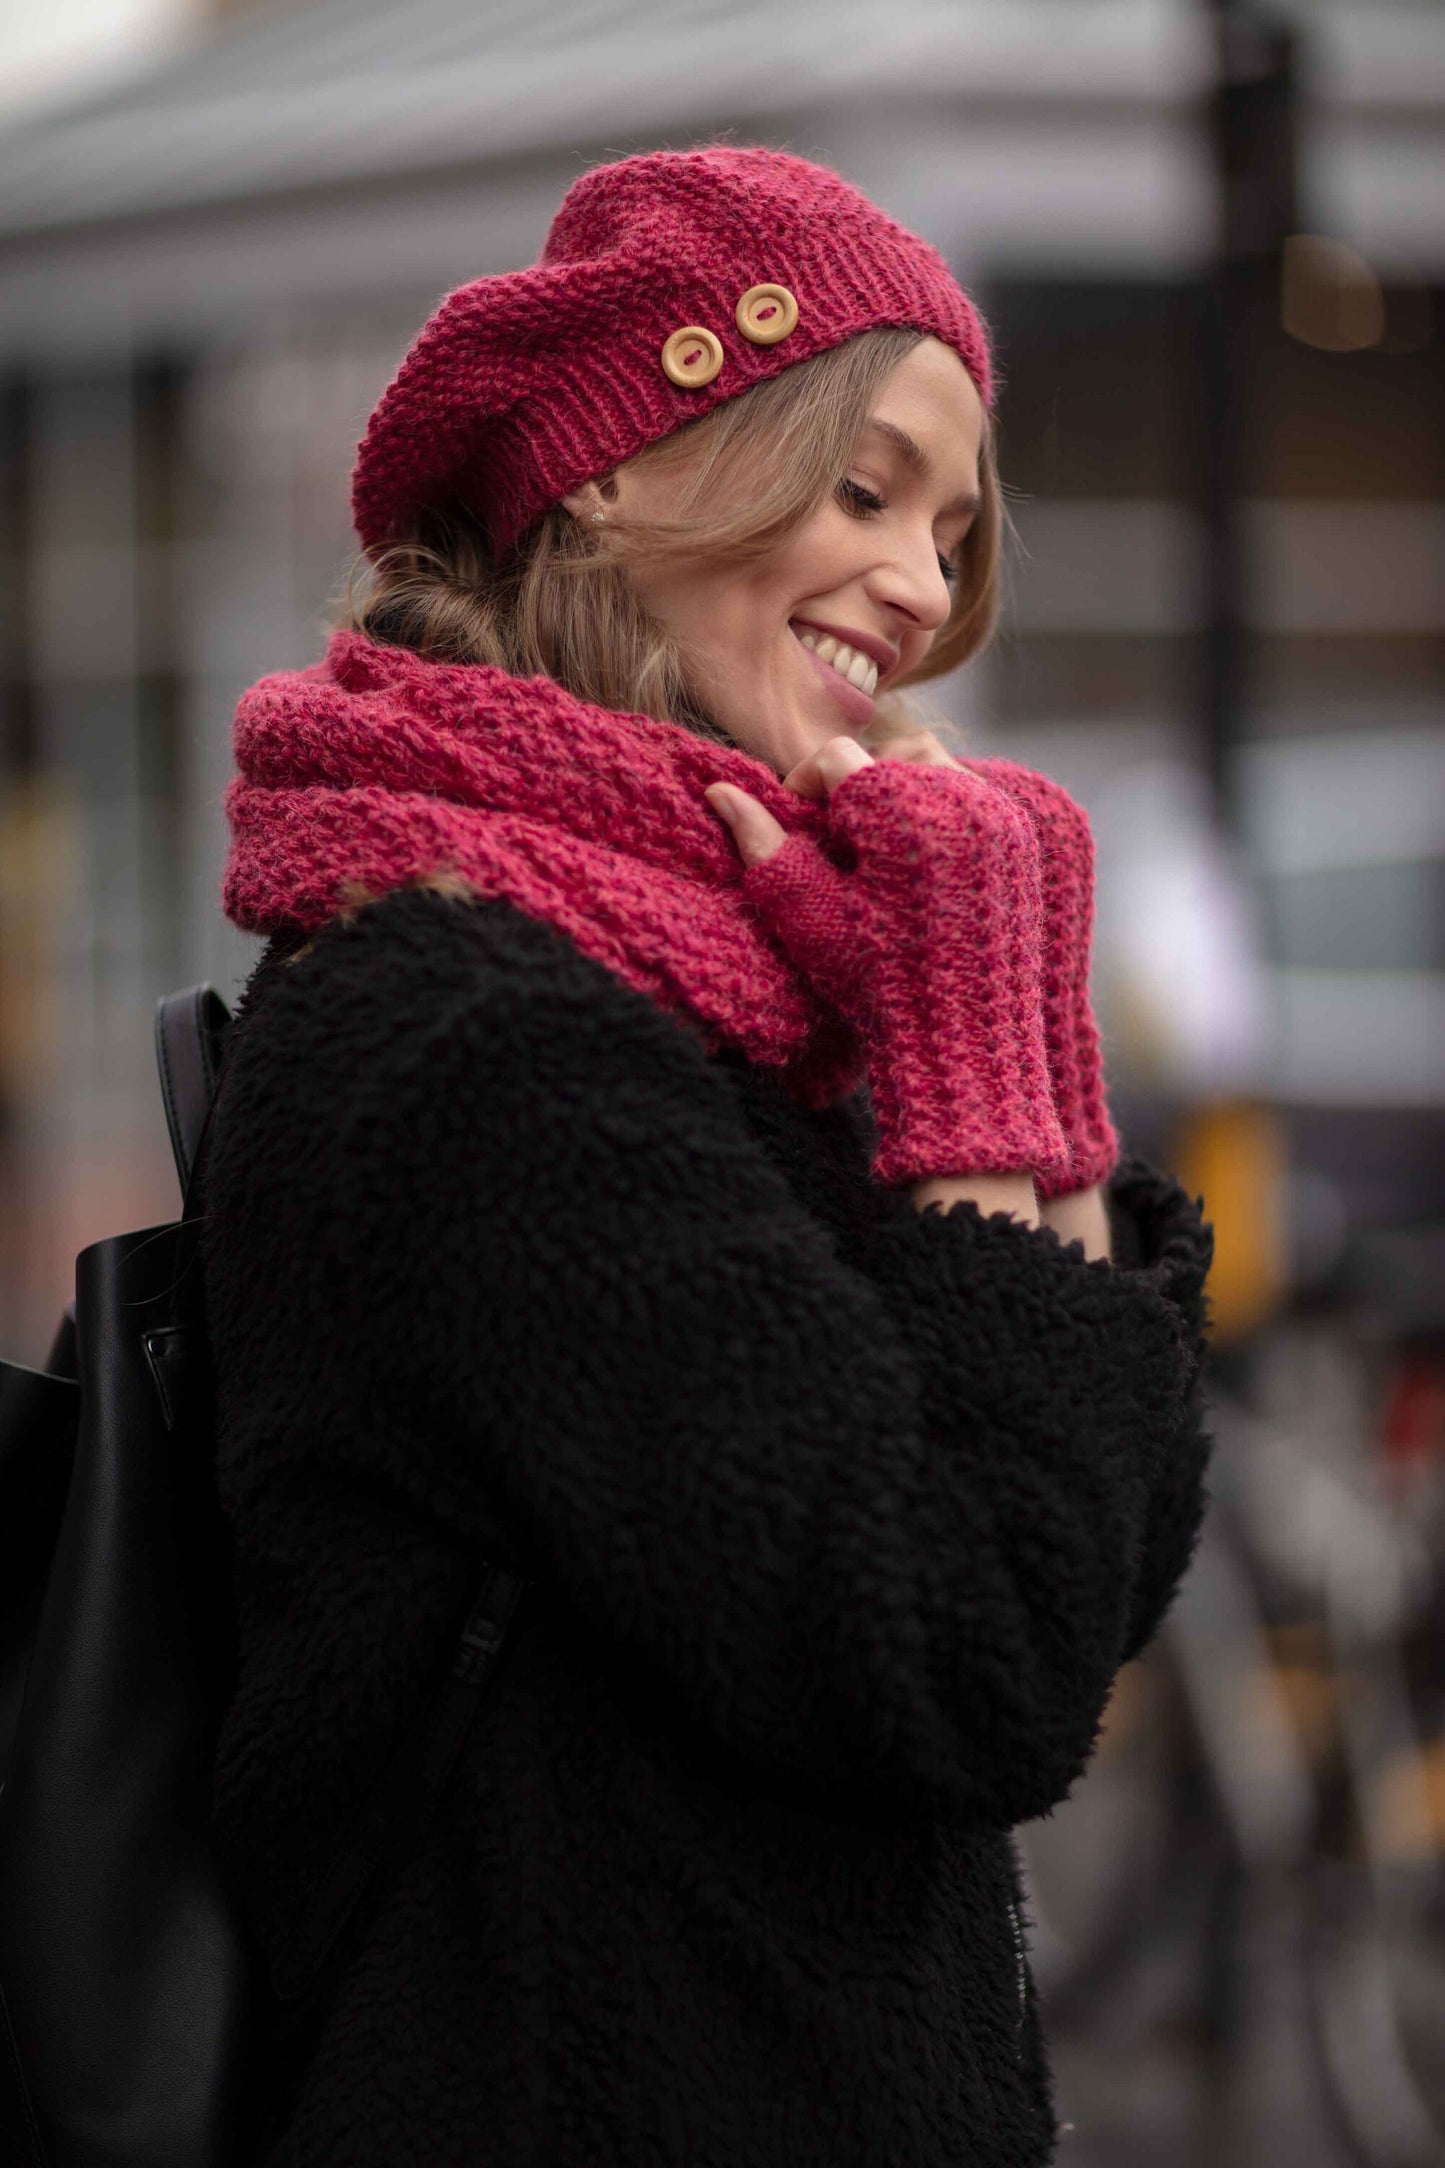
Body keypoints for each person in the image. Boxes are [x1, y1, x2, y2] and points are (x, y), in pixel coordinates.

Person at [204, 146, 1214, 2167]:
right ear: (616, 469)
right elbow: (976, 1660)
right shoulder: (477, 1043)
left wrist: (999, 1080)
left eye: (950, 526)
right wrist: (977, 1068)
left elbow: (1085, 1562)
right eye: (863, 492)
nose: (924, 589)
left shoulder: (687, 995)